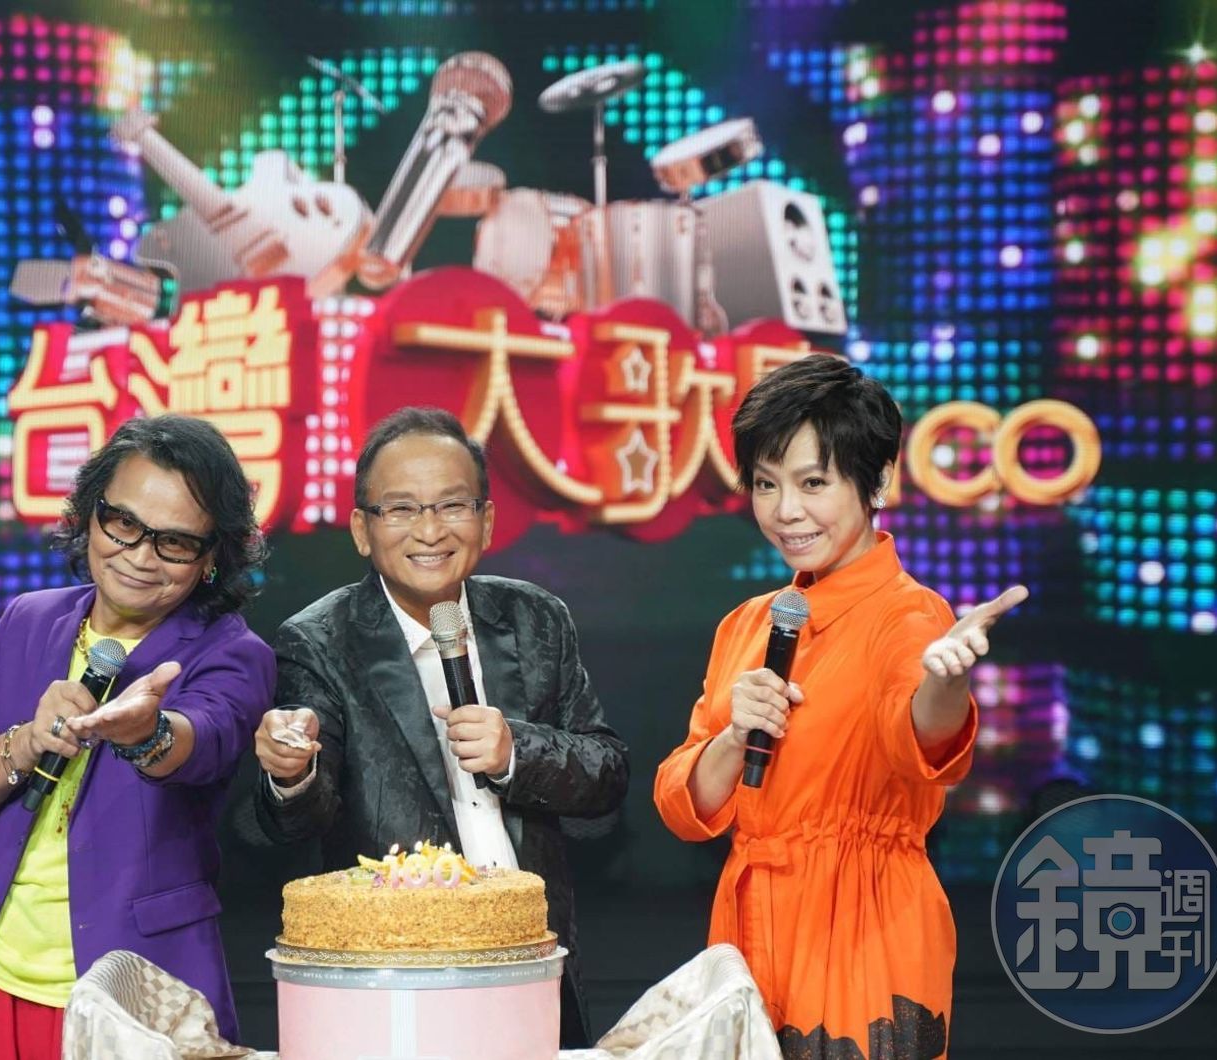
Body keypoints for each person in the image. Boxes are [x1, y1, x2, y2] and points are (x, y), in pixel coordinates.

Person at [652, 355, 1027, 1059]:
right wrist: (733, 737)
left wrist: (946, 683)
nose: (785, 511)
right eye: (767, 483)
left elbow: (918, 739)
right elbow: (682, 807)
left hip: (864, 924)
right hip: (747, 929)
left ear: (876, 481)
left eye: (813, 483)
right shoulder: (748, 624)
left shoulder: (909, 616)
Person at [252, 406, 629, 1048]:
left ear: (486, 520)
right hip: (396, 978)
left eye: (452, 505)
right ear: (362, 530)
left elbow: (607, 775)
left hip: (529, 962)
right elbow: (299, 822)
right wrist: (293, 773)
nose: (429, 530)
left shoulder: (536, 618)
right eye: (401, 509)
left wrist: (516, 752)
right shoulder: (320, 640)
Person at [0, 415, 276, 1059]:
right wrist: (25, 742)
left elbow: (204, 740)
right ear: (89, 515)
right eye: (124, 523)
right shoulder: (29, 621)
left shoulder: (231, 652)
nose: (139, 555)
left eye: (175, 542)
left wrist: (147, 734)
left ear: (212, 557)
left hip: (133, 1002)